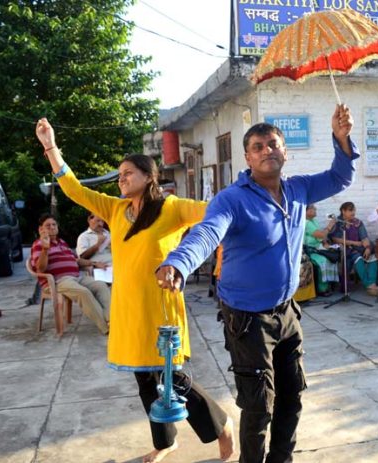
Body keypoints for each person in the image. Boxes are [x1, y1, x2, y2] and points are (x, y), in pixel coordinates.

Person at [156, 104, 358, 463]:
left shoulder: (298, 190)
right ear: (248, 157)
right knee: (258, 406)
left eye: (273, 144)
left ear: (285, 151)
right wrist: (179, 262)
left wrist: (341, 140)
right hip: (247, 319)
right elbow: (206, 232)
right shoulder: (232, 200)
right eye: (259, 146)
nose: (267, 150)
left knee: (292, 395)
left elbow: (340, 178)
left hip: (287, 313)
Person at [35, 119, 234, 463]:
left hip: (161, 310)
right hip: (129, 311)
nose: (122, 178)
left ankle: (222, 426)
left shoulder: (171, 208)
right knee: (146, 382)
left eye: (128, 173)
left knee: (176, 381)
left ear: (148, 175)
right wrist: (51, 147)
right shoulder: (115, 210)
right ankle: (165, 442)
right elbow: (74, 189)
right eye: (120, 174)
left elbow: (217, 213)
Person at [30, 213, 110, 335]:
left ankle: (111, 320)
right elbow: (40, 269)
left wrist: (94, 263)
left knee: (101, 286)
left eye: (54, 224)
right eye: (48, 225)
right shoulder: (38, 244)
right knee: (84, 293)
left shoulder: (62, 242)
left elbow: (76, 260)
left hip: (76, 277)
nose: (52, 227)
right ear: (41, 229)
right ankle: (107, 328)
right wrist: (45, 249)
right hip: (57, 281)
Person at [331, 201, 378, 296]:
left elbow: (364, 237)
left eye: (354, 210)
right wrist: (354, 243)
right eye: (350, 210)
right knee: (357, 257)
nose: (353, 212)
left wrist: (368, 248)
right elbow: (335, 239)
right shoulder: (337, 223)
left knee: (373, 255)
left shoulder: (357, 222)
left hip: (359, 248)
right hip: (346, 249)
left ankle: (372, 283)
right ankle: (369, 284)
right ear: (343, 211)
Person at [303, 204, 339, 297]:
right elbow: (320, 234)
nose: (315, 210)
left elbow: (322, 236)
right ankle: (322, 289)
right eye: (313, 208)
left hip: (318, 247)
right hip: (309, 250)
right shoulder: (306, 222)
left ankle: (330, 284)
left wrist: (325, 243)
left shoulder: (314, 221)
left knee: (333, 256)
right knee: (323, 261)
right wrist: (330, 225)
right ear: (307, 211)